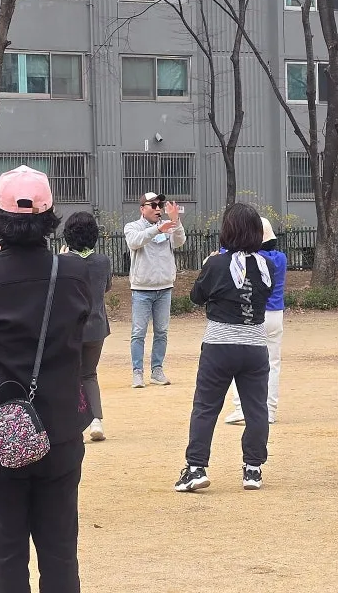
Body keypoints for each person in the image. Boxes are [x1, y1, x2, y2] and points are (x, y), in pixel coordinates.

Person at [0, 165, 92, 593]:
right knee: (60, 550)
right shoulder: (74, 274)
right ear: (49, 218)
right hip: (60, 425)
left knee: (5, 552)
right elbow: (83, 333)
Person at [175, 203, 273, 493]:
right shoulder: (266, 266)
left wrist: (209, 267)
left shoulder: (217, 263)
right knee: (256, 408)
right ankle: (253, 468)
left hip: (219, 343)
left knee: (206, 407)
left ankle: (196, 468)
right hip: (255, 344)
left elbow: (196, 296)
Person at [224, 217, 287, 426]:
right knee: (273, 363)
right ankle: (270, 410)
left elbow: (226, 254)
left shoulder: (246, 259)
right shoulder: (280, 258)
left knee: (241, 361)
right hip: (275, 314)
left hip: (252, 313)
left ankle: (240, 408)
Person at [124, 192, 186, 388]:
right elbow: (135, 241)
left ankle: (157, 370)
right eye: (153, 205)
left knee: (161, 332)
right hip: (142, 289)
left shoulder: (167, 226)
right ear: (142, 209)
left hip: (165, 287)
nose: (158, 209)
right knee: (138, 333)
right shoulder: (132, 227)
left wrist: (176, 221)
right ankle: (137, 372)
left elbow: (180, 241)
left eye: (160, 205)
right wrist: (158, 229)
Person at [62, 212, 112, 442]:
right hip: (97, 326)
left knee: (69, 375)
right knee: (90, 374)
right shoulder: (103, 261)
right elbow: (107, 287)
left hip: (69, 328)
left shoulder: (63, 261)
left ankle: (72, 423)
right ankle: (96, 420)